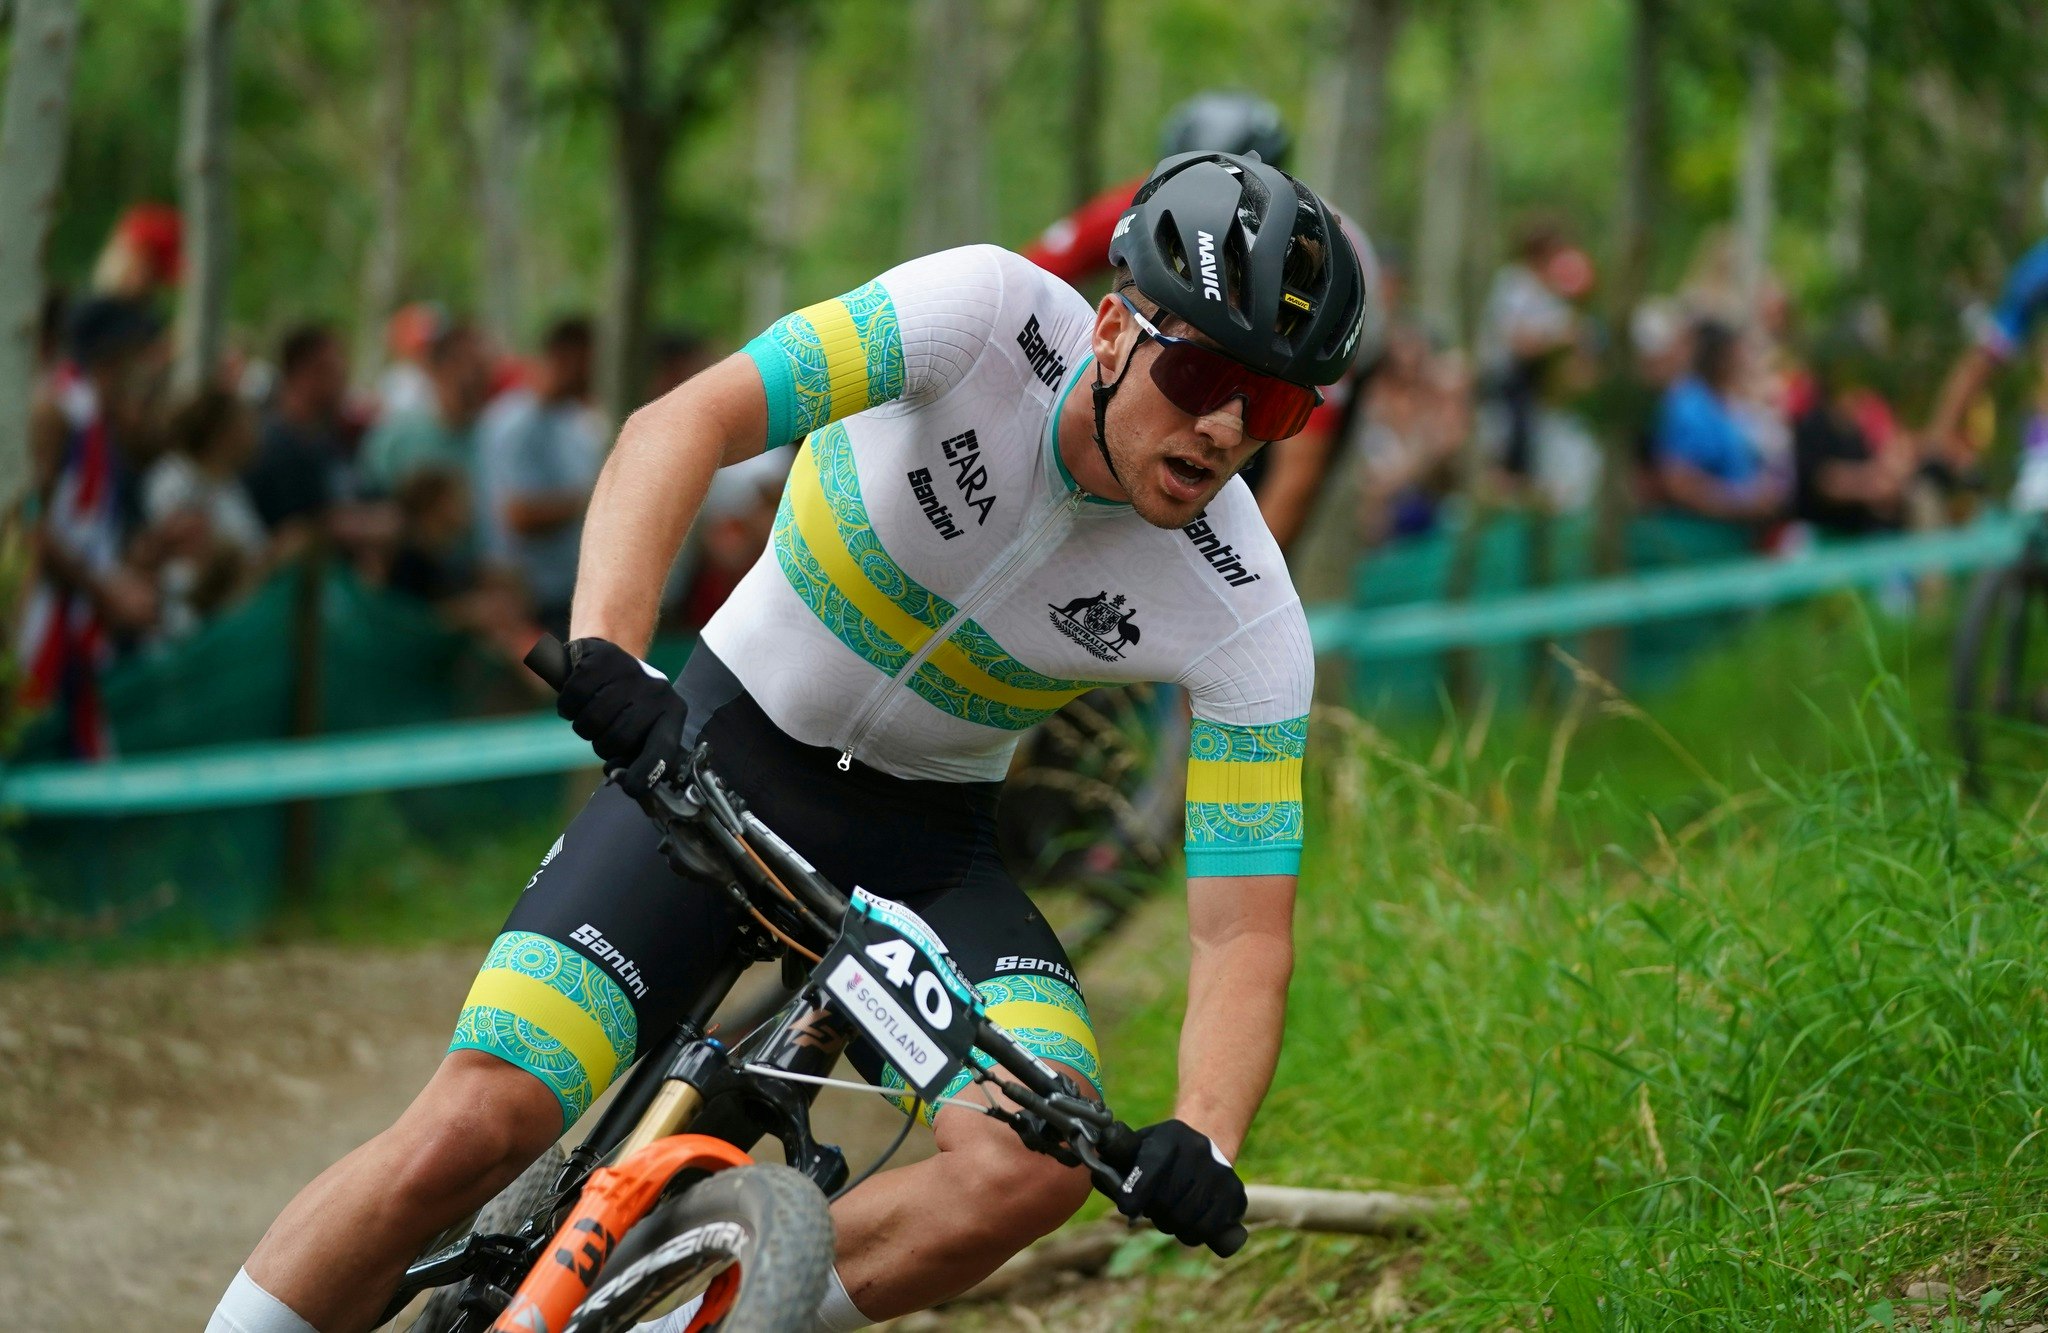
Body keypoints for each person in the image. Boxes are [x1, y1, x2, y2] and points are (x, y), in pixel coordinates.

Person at [207, 149, 1374, 1333]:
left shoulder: (1245, 609)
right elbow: (685, 421)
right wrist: (611, 650)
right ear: (1116, 328)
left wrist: (1207, 1134)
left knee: (1034, 1163)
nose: (1225, 427)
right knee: (476, 1124)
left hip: (921, 858)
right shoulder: (976, 314)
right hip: (717, 752)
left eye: (1273, 405)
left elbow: (1238, 926)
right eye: (1202, 373)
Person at [1021, 89, 1375, 553]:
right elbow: (1030, 277)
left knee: (1254, 427)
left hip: (1310, 372)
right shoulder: (1154, 200)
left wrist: (1248, 580)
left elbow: (1300, 468)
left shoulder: (1324, 264)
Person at [475, 316, 603, 635]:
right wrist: (598, 499)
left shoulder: (576, 424)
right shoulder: (512, 422)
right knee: (545, 679)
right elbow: (518, 515)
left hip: (570, 597)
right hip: (527, 605)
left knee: (574, 679)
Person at [143, 387, 269, 637]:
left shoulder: (229, 484)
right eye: (245, 423)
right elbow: (186, 562)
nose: (255, 434)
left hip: (233, 630)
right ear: (223, 431)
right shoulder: (172, 480)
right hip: (189, 636)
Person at [1653, 319, 1788, 526]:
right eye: (1735, 354)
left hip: (1741, 532)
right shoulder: (1687, 404)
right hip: (1703, 535)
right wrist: (1743, 501)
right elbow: (1679, 482)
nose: (1742, 361)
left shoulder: (1726, 401)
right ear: (1718, 358)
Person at [359, 321, 491, 496]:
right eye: (460, 365)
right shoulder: (395, 436)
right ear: (434, 369)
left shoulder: (495, 437)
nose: (470, 378)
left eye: (480, 368)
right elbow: (369, 498)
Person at [245, 324, 355, 534]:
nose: (342, 380)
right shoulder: (271, 446)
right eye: (332, 370)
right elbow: (303, 529)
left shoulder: (326, 439)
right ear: (302, 374)